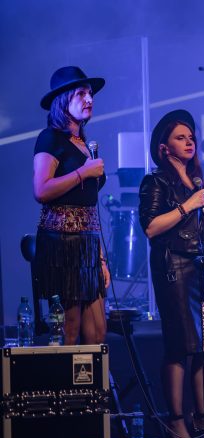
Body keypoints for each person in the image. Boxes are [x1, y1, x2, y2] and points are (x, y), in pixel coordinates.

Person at [139, 109, 204, 438]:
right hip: (174, 268)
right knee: (180, 346)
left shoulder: (197, 182)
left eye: (191, 137)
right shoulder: (155, 182)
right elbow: (151, 227)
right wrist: (187, 205)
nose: (189, 142)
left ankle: (203, 420)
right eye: (181, 137)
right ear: (164, 147)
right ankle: (175, 421)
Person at [32, 66, 110, 345]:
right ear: (63, 100)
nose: (89, 99)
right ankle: (61, 374)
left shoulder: (84, 143)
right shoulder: (50, 138)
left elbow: (88, 207)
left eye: (90, 94)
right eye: (81, 94)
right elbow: (41, 189)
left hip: (87, 244)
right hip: (62, 244)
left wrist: (100, 258)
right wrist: (83, 173)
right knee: (70, 329)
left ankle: (91, 377)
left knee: (98, 331)